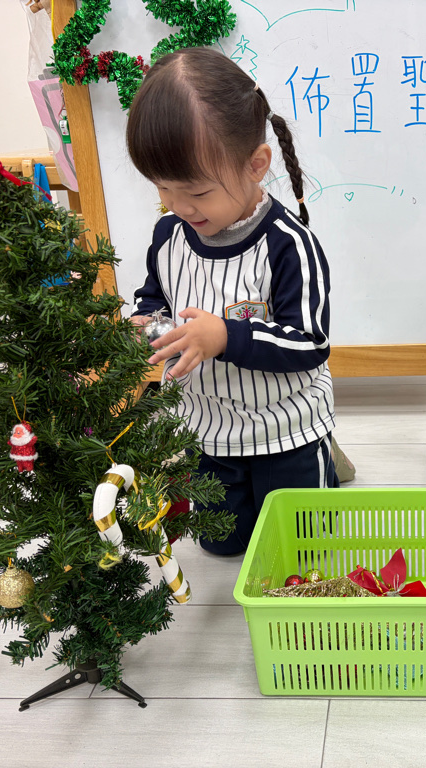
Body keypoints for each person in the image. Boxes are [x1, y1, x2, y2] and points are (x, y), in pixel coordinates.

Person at [126, 48, 337, 555]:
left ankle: (326, 462)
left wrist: (226, 336)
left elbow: (311, 344)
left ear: (256, 165)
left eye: (197, 192)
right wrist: (143, 321)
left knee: (303, 549)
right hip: (209, 430)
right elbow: (154, 295)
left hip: (285, 429)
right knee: (220, 545)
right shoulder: (169, 234)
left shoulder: (289, 245)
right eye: (163, 189)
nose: (179, 206)